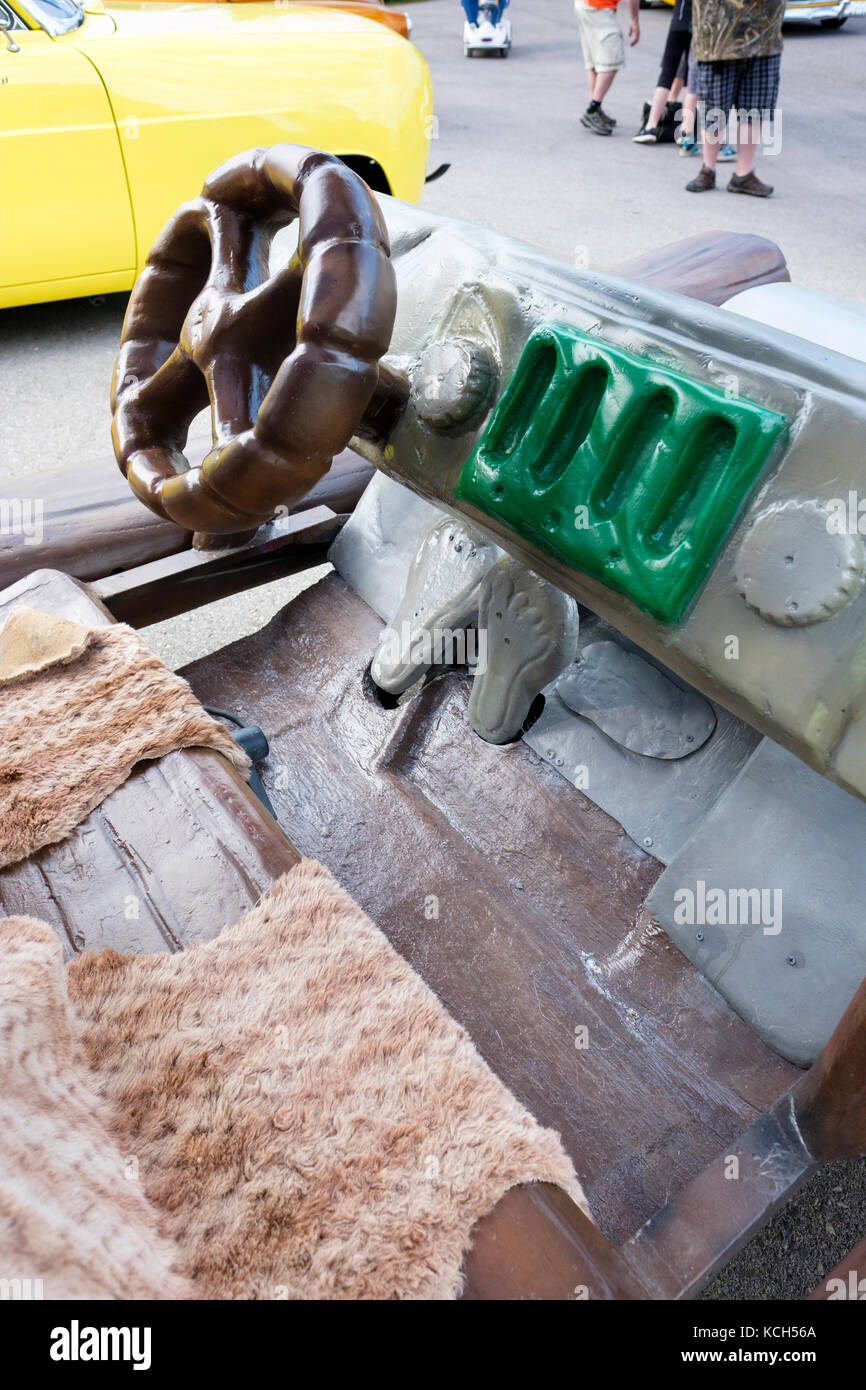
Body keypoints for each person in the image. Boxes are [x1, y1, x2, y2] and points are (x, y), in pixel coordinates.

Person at [686, 0, 784, 197]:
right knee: (714, 107)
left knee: (755, 108)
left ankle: (744, 174)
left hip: (764, 34)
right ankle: (708, 168)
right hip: (718, 37)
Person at [574, 0, 640, 136]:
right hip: (599, 8)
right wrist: (635, 21)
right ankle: (593, 109)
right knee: (611, 61)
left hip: (583, 5)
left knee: (596, 62)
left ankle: (594, 107)